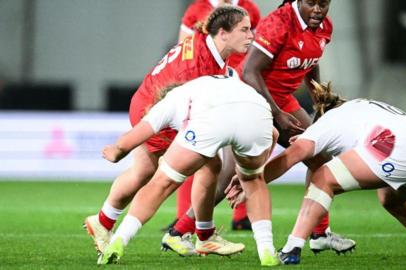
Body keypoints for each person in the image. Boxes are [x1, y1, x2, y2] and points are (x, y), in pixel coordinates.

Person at [84, 5, 254, 257]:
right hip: (156, 110)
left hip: (146, 100)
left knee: (143, 171)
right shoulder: (196, 69)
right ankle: (201, 235)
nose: (251, 35)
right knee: (209, 165)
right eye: (245, 30)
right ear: (223, 33)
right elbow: (180, 106)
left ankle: (103, 221)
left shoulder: (206, 44)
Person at [228, 80, 406, 265]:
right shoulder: (361, 107)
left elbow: (292, 155)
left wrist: (249, 179)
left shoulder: (327, 121)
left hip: (396, 146)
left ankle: (291, 249)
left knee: (322, 177)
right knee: (390, 199)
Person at [97, 75, 280, 267]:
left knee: (161, 182)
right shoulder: (207, 85)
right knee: (253, 182)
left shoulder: (170, 101)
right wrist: (252, 173)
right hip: (258, 110)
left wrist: (115, 152)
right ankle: (266, 250)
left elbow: (132, 138)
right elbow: (273, 134)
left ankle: (119, 241)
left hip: (213, 119)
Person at [240, 0, 356, 253]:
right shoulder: (279, 23)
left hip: (284, 102)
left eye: (323, 3)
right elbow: (249, 72)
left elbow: (311, 59)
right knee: (226, 175)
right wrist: (277, 113)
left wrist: (317, 94)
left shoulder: (324, 26)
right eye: (311, 3)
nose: (318, 9)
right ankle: (183, 230)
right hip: (251, 100)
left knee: (319, 160)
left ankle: (319, 233)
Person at [173, 0, 261, 233]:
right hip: (208, 86)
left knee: (243, 152)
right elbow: (184, 48)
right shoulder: (197, 8)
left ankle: (242, 216)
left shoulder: (248, 7)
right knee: (194, 153)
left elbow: (256, 48)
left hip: (239, 84)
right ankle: (184, 217)